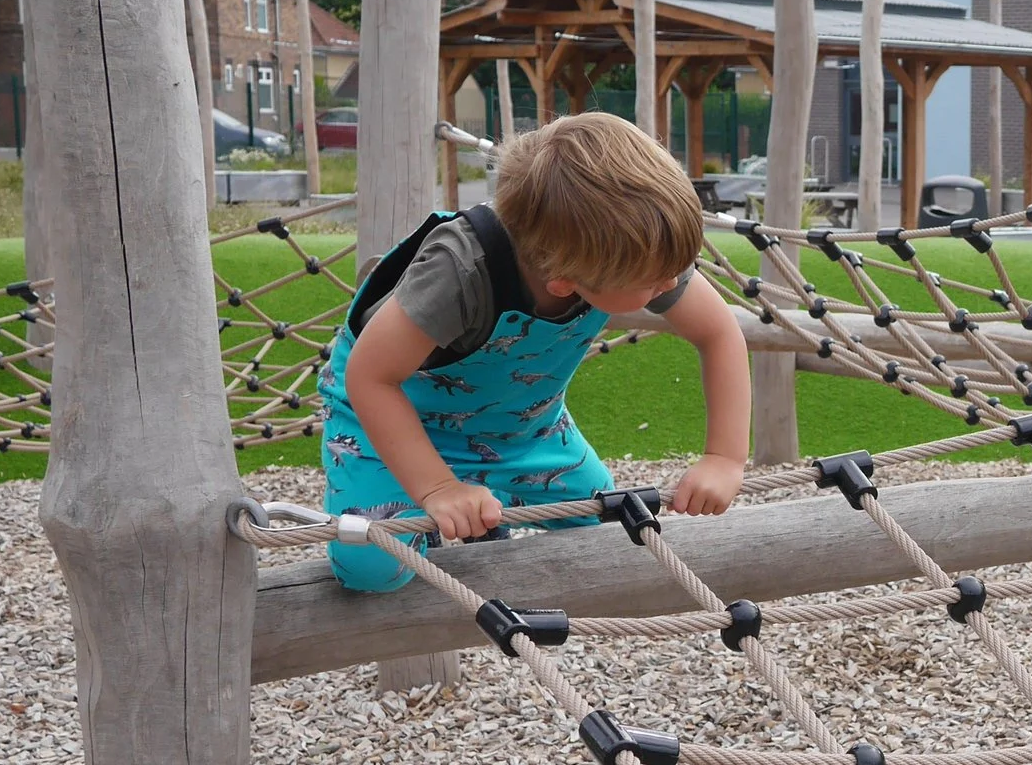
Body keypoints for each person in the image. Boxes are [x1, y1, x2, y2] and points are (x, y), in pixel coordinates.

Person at [316, 112, 751, 592]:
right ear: (565, 283)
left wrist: (724, 458)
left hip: (524, 430)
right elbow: (371, 378)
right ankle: (460, 504)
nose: (671, 284)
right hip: (390, 422)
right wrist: (437, 487)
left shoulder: (624, 250)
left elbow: (719, 333)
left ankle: (488, 501)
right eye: (654, 281)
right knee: (372, 572)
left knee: (612, 534)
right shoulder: (459, 271)